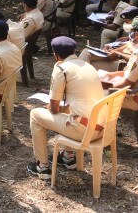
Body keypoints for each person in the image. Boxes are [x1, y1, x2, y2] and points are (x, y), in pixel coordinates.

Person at [27, 36, 105, 179]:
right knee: (70, 111)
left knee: (35, 115)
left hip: (84, 131)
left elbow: (54, 109)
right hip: (101, 129)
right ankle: (67, 157)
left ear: (55, 54)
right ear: (74, 50)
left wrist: (49, 106)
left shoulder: (61, 69)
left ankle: (41, 166)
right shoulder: (88, 66)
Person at [99, 17, 138, 111]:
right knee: (99, 79)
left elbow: (126, 84)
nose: (129, 34)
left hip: (131, 99)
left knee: (89, 92)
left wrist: (104, 89)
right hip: (135, 94)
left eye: (131, 31)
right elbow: (129, 75)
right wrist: (108, 76)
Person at [78, 6, 138, 71]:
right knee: (88, 57)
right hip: (119, 59)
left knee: (87, 54)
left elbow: (134, 55)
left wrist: (117, 52)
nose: (126, 24)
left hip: (124, 65)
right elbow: (130, 44)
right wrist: (114, 45)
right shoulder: (137, 31)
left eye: (127, 22)